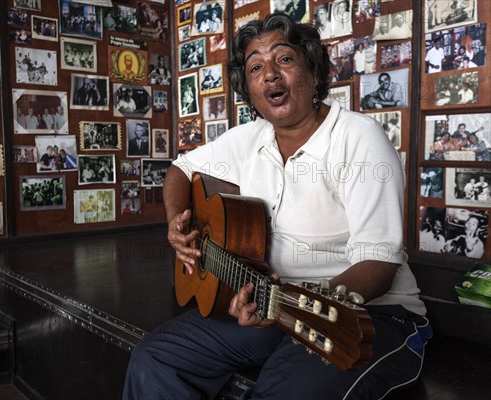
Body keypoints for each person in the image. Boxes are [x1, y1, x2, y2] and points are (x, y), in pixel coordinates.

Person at [123, 13, 430, 400]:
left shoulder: (359, 138)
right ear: (249, 91)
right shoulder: (247, 139)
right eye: (255, 67)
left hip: (367, 316)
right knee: (155, 358)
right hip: (273, 304)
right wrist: (175, 224)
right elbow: (181, 169)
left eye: (283, 59)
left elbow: (379, 265)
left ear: (313, 70)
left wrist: (288, 306)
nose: (269, 74)